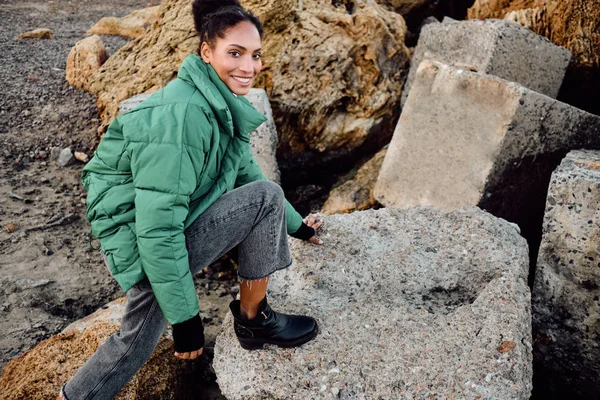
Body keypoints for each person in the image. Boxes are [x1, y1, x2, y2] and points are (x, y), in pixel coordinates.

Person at [57, 0, 322, 398]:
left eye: (255, 55)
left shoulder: (216, 103)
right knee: (136, 336)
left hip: (166, 223)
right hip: (144, 237)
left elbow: (249, 176)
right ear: (206, 51)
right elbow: (157, 228)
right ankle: (254, 320)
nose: (248, 67)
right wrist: (187, 321)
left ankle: (254, 318)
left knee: (264, 195)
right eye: (235, 53)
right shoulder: (184, 115)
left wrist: (299, 227)